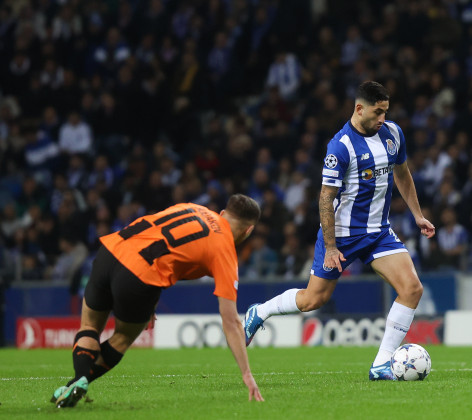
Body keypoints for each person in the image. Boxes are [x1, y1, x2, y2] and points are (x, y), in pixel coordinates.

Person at [243, 81, 435, 380]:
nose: (383, 118)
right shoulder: (340, 146)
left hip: (379, 233)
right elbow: (325, 198)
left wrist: (418, 215)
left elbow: (402, 173)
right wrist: (331, 247)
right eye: (378, 112)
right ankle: (261, 311)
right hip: (342, 234)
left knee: (412, 289)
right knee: (312, 300)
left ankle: (381, 364)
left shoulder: (393, 134)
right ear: (360, 109)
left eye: (386, 111)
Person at [51, 195, 265, 407]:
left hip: (112, 250)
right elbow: (230, 321)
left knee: (89, 326)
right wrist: (246, 373)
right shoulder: (225, 251)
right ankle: (82, 381)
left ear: (222, 214)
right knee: (123, 337)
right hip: (139, 276)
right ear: (248, 230)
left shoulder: (192, 208)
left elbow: (161, 244)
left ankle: (77, 379)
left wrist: (150, 302)